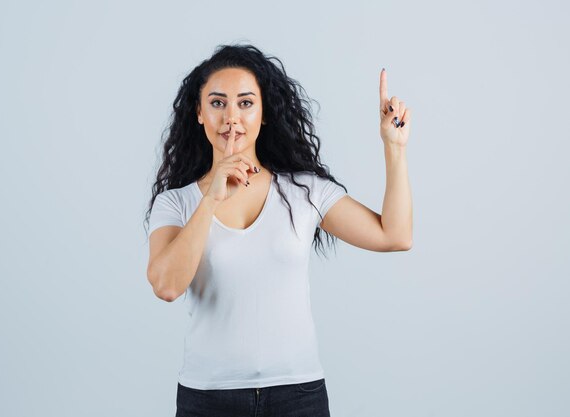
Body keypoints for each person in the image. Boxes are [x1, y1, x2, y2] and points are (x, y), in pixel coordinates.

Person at [144, 43, 412, 417]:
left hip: (297, 396)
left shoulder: (304, 191)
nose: (231, 117)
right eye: (218, 103)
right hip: (209, 398)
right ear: (199, 113)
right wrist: (211, 200)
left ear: (264, 113)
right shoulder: (176, 204)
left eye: (246, 103)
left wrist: (394, 147)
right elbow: (167, 285)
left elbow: (394, 236)